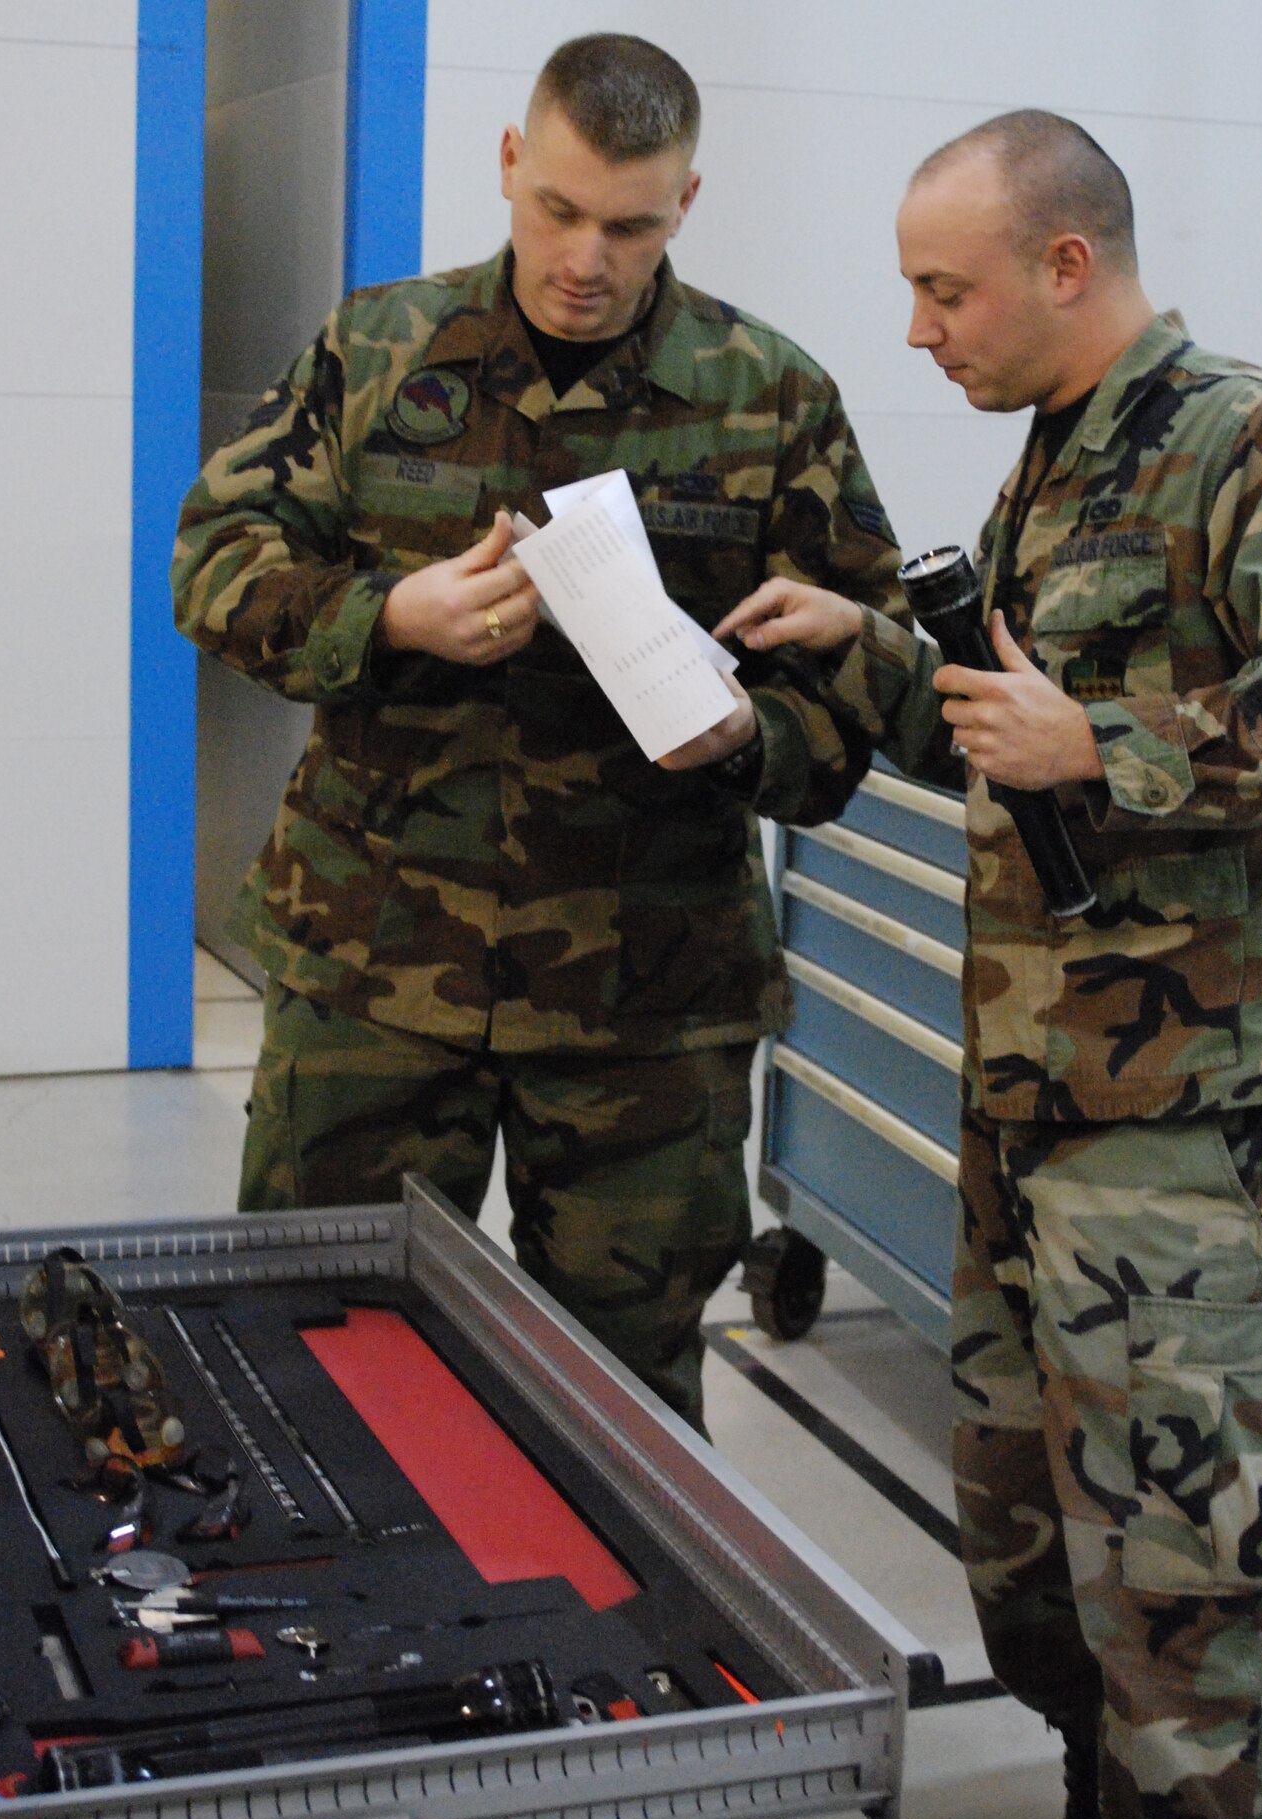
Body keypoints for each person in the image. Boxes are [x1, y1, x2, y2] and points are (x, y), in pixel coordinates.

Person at [715, 110, 1262, 1819]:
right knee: (1036, 1523)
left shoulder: (1257, 443)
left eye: (943, 291)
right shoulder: (1057, 460)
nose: (921, 330)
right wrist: (864, 646)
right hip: (1037, 1094)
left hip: (1182, 1119)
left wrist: (1104, 747)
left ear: (1064, 264)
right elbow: (1000, 736)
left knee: (1179, 1530)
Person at [172, 35, 904, 1440]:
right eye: (558, 210)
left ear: (686, 202)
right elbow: (215, 564)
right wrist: (391, 616)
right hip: (378, 964)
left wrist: (749, 734)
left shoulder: (768, 397)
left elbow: (862, 674)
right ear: (510, 163)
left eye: (630, 226)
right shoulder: (377, 350)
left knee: (626, 1402)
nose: (585, 259)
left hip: (650, 998)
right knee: (322, 1362)